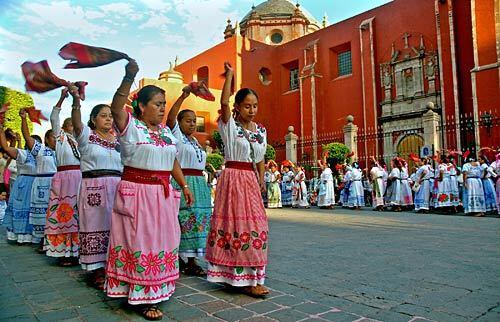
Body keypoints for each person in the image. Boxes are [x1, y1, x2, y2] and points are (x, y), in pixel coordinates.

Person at [105, 60, 194, 320]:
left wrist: (184, 184)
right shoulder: (131, 127)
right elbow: (115, 106)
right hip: (138, 193)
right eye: (157, 104)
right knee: (140, 241)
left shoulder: (166, 132)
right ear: (141, 106)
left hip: (163, 194)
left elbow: (172, 159)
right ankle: (142, 295)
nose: (162, 109)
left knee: (163, 241)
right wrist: (128, 77)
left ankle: (157, 288)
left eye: (164, 105)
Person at [205, 62, 270, 297]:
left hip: (250, 180)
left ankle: (252, 277)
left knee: (255, 226)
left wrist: (261, 177)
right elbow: (223, 103)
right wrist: (230, 76)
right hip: (232, 178)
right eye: (247, 106)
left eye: (255, 106)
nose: (252, 110)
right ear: (238, 107)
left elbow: (261, 156)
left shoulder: (260, 130)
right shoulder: (229, 126)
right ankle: (231, 276)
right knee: (233, 225)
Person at [70, 84, 122, 290]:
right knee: (94, 226)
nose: (109, 119)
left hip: (117, 186)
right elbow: (76, 123)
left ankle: (114, 267)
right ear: (93, 119)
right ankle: (97, 270)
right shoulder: (86, 137)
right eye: (103, 116)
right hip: (94, 188)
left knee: (115, 226)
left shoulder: (119, 140)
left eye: (110, 115)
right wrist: (76, 101)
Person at [166, 85, 212, 276]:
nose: (192, 124)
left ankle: (192, 260)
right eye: (188, 121)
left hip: (199, 183)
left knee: (198, 220)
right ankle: (177, 257)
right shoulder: (176, 136)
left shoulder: (194, 141)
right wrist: (183, 96)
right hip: (183, 180)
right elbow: (170, 117)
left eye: (194, 121)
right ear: (180, 122)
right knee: (183, 219)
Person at [44, 88, 82, 266]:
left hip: (79, 179)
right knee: (63, 215)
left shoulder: (81, 141)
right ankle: (63, 253)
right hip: (64, 179)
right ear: (65, 128)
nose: (74, 128)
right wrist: (61, 99)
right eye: (71, 126)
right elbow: (54, 117)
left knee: (78, 215)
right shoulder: (61, 138)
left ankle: (77, 252)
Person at [20, 109, 57, 252]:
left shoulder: (63, 150)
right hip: (43, 184)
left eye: (56, 137)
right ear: (47, 139)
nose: (55, 140)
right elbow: (27, 137)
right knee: (42, 214)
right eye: (52, 137)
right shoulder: (41, 150)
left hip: (58, 184)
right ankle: (43, 240)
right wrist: (24, 119)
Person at [1, 128, 37, 244]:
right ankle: (19, 236)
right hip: (23, 184)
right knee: (21, 208)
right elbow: (7, 149)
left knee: (32, 210)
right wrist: (1, 131)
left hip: (36, 184)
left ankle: (32, 236)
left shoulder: (42, 156)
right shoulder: (23, 154)